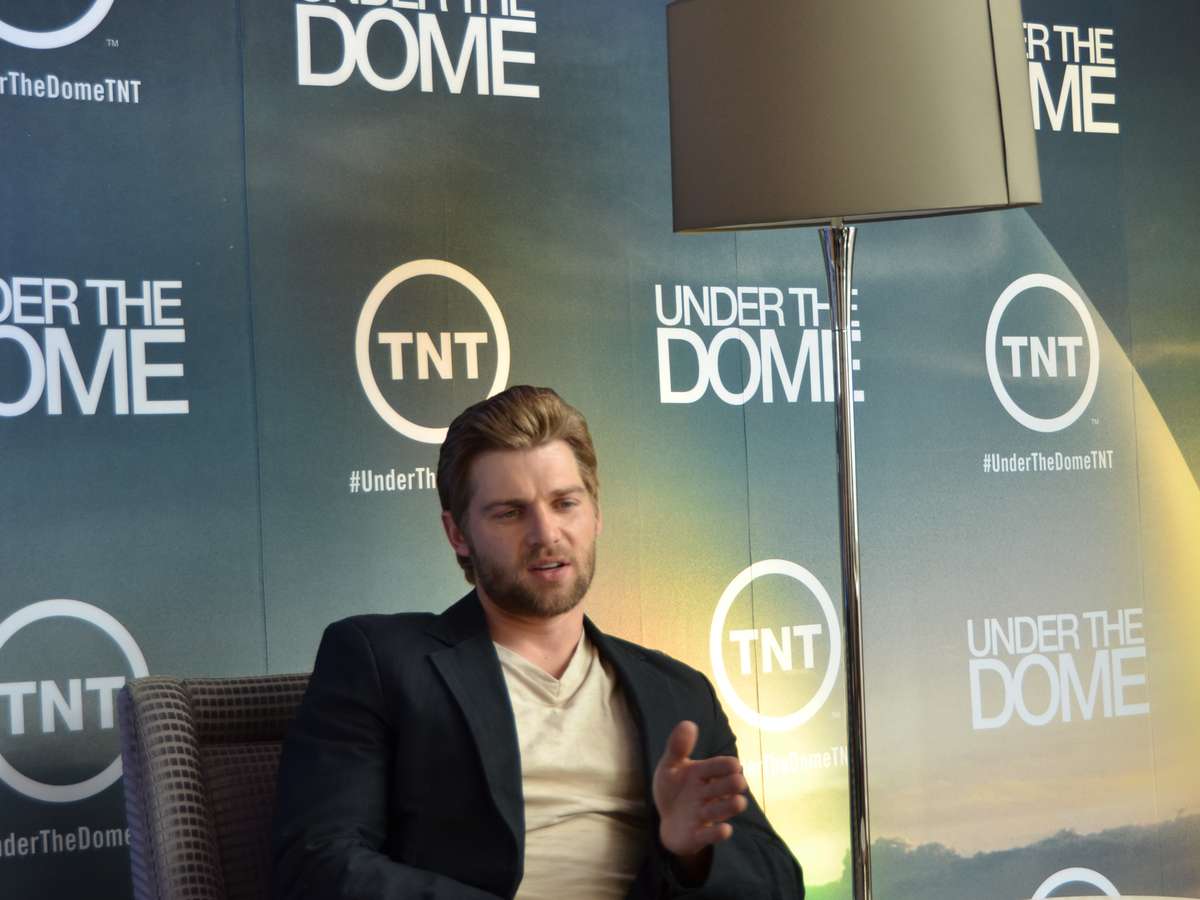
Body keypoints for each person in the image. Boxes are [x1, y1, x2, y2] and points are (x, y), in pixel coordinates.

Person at [272, 385, 804, 899]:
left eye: (565, 503)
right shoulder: (379, 660)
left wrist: (691, 856)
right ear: (457, 533)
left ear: (596, 513)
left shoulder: (679, 693)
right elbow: (317, 865)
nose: (545, 534)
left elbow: (778, 882)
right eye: (510, 512)